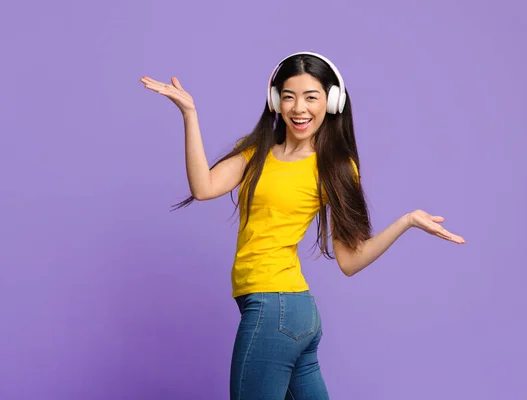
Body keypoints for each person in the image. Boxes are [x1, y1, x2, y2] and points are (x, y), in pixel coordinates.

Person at [140, 51, 465, 400]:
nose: (299, 108)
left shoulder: (333, 168)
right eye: (290, 96)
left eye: (312, 97)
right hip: (290, 313)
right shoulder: (254, 154)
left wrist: (406, 221)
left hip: (275, 309)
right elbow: (203, 188)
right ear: (275, 101)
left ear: (332, 101)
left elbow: (350, 261)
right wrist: (190, 115)